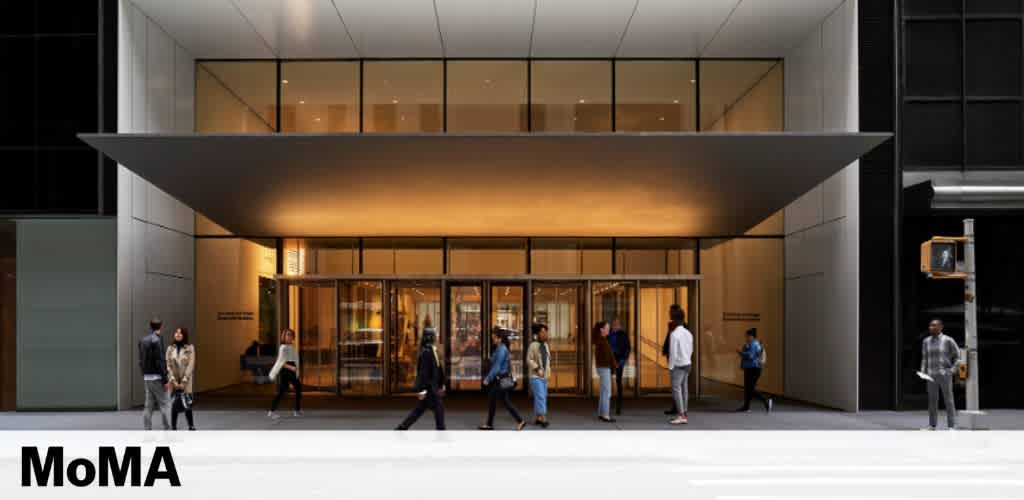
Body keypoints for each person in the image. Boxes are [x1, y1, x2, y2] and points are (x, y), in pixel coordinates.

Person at [396, 327, 447, 430]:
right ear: (431, 337)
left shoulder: (432, 350)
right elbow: (423, 372)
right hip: (429, 387)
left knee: (420, 410)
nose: (437, 336)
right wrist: (422, 389)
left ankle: (402, 427)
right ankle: (441, 431)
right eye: (435, 334)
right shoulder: (426, 352)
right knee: (438, 409)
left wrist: (441, 384)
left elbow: (437, 369)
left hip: (432, 387)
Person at [479, 330, 526, 430]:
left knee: (495, 399)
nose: (493, 339)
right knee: (503, 401)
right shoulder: (500, 348)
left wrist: (488, 378)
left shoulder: (501, 349)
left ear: (499, 338)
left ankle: (490, 424)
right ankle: (520, 421)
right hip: (500, 378)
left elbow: (497, 367)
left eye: (494, 337)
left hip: (500, 379)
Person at [921, 318, 961, 431]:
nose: (931, 327)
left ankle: (951, 426)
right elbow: (924, 357)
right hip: (930, 375)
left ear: (940, 327)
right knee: (932, 400)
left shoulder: (948, 340)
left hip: (944, 374)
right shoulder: (926, 341)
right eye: (930, 325)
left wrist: (952, 370)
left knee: (948, 400)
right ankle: (932, 425)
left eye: (934, 325)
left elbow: (958, 356)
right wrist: (923, 371)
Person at [138, 317, 171, 431]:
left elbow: (140, 360)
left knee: (148, 406)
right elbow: (160, 361)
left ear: (150, 326)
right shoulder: (157, 340)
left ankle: (147, 429)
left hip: (147, 377)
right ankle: (167, 428)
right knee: (165, 404)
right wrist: (165, 379)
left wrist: (143, 373)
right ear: (161, 327)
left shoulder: (142, 340)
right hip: (157, 377)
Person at [736, 328, 772, 413]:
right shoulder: (750, 344)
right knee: (748, 389)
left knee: (750, 389)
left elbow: (750, 356)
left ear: (752, 336)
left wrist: (740, 352)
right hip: (750, 368)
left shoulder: (754, 344)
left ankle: (766, 401)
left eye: (747, 336)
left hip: (753, 369)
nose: (746, 337)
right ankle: (746, 407)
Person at [166, 327, 196, 430]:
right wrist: (173, 380)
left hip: (185, 381)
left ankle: (191, 425)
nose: (178, 334)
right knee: (175, 403)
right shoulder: (170, 348)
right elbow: (168, 365)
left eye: (180, 333)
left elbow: (191, 365)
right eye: (176, 332)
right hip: (174, 380)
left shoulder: (190, 348)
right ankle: (173, 426)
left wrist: (184, 381)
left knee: (187, 403)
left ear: (184, 335)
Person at [667, 308, 693, 425]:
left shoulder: (674, 334)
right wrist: (687, 358)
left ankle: (681, 415)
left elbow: (673, 353)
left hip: (678, 365)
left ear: (675, 320)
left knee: (676, 389)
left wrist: (670, 367)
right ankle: (685, 412)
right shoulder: (688, 333)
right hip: (687, 363)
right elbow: (691, 350)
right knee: (684, 389)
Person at [268, 328, 302, 419]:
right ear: (284, 336)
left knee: (284, 390)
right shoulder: (283, 347)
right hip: (287, 370)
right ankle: (296, 411)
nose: (289, 336)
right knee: (296, 388)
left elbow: (295, 359)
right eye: (287, 335)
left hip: (292, 368)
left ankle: (272, 411)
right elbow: (281, 362)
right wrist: (292, 367)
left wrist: (296, 369)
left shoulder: (292, 346)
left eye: (291, 335)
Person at [526, 323, 551, 427]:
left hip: (544, 376)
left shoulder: (545, 345)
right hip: (535, 376)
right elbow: (528, 359)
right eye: (542, 332)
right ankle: (542, 418)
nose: (545, 334)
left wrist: (548, 372)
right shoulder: (533, 345)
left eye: (546, 332)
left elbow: (548, 360)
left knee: (541, 397)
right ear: (537, 333)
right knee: (541, 396)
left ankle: (537, 418)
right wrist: (537, 368)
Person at [662, 304, 684, 415]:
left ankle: (682, 410)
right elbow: (669, 339)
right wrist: (665, 349)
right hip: (671, 356)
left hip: (679, 359)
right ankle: (676, 407)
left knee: (679, 386)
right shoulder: (671, 324)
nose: (669, 313)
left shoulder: (682, 326)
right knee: (675, 385)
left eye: (670, 311)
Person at [593, 321, 617, 423]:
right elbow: (608, 357)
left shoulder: (601, 340)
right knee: (607, 392)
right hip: (604, 368)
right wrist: (613, 366)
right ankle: (605, 415)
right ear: (601, 330)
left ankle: (601, 413)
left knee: (604, 391)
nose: (609, 329)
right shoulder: (602, 341)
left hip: (602, 367)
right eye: (607, 328)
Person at [608, 318, 631, 415]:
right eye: (613, 323)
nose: (615, 325)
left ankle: (618, 406)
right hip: (609, 360)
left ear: (620, 325)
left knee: (618, 382)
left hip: (618, 360)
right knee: (607, 383)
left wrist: (622, 361)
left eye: (617, 324)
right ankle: (607, 405)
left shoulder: (623, 334)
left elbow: (627, 348)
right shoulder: (608, 334)